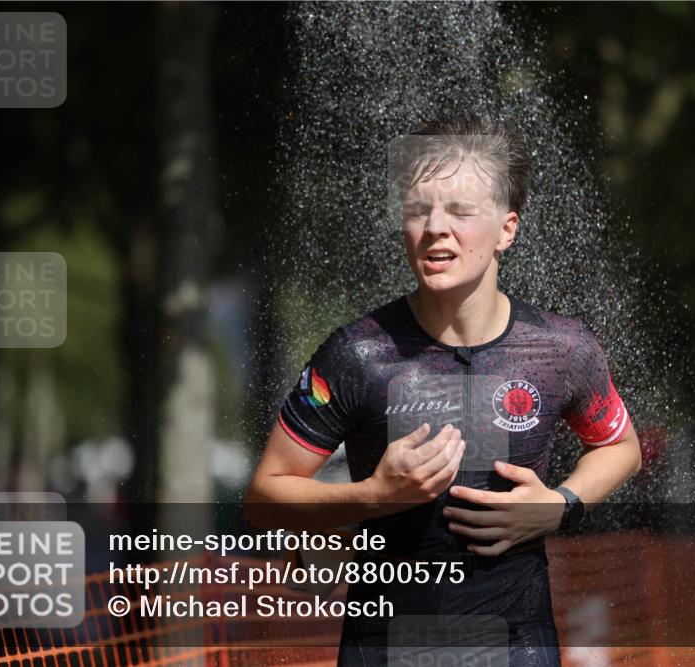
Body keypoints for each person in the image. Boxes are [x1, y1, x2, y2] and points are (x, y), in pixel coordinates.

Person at [246, 113, 642, 666]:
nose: (435, 227)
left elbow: (621, 447)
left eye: (460, 211)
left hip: (518, 648)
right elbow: (266, 496)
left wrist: (560, 504)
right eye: (418, 210)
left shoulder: (562, 347)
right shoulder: (357, 353)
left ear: (508, 228)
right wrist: (375, 497)